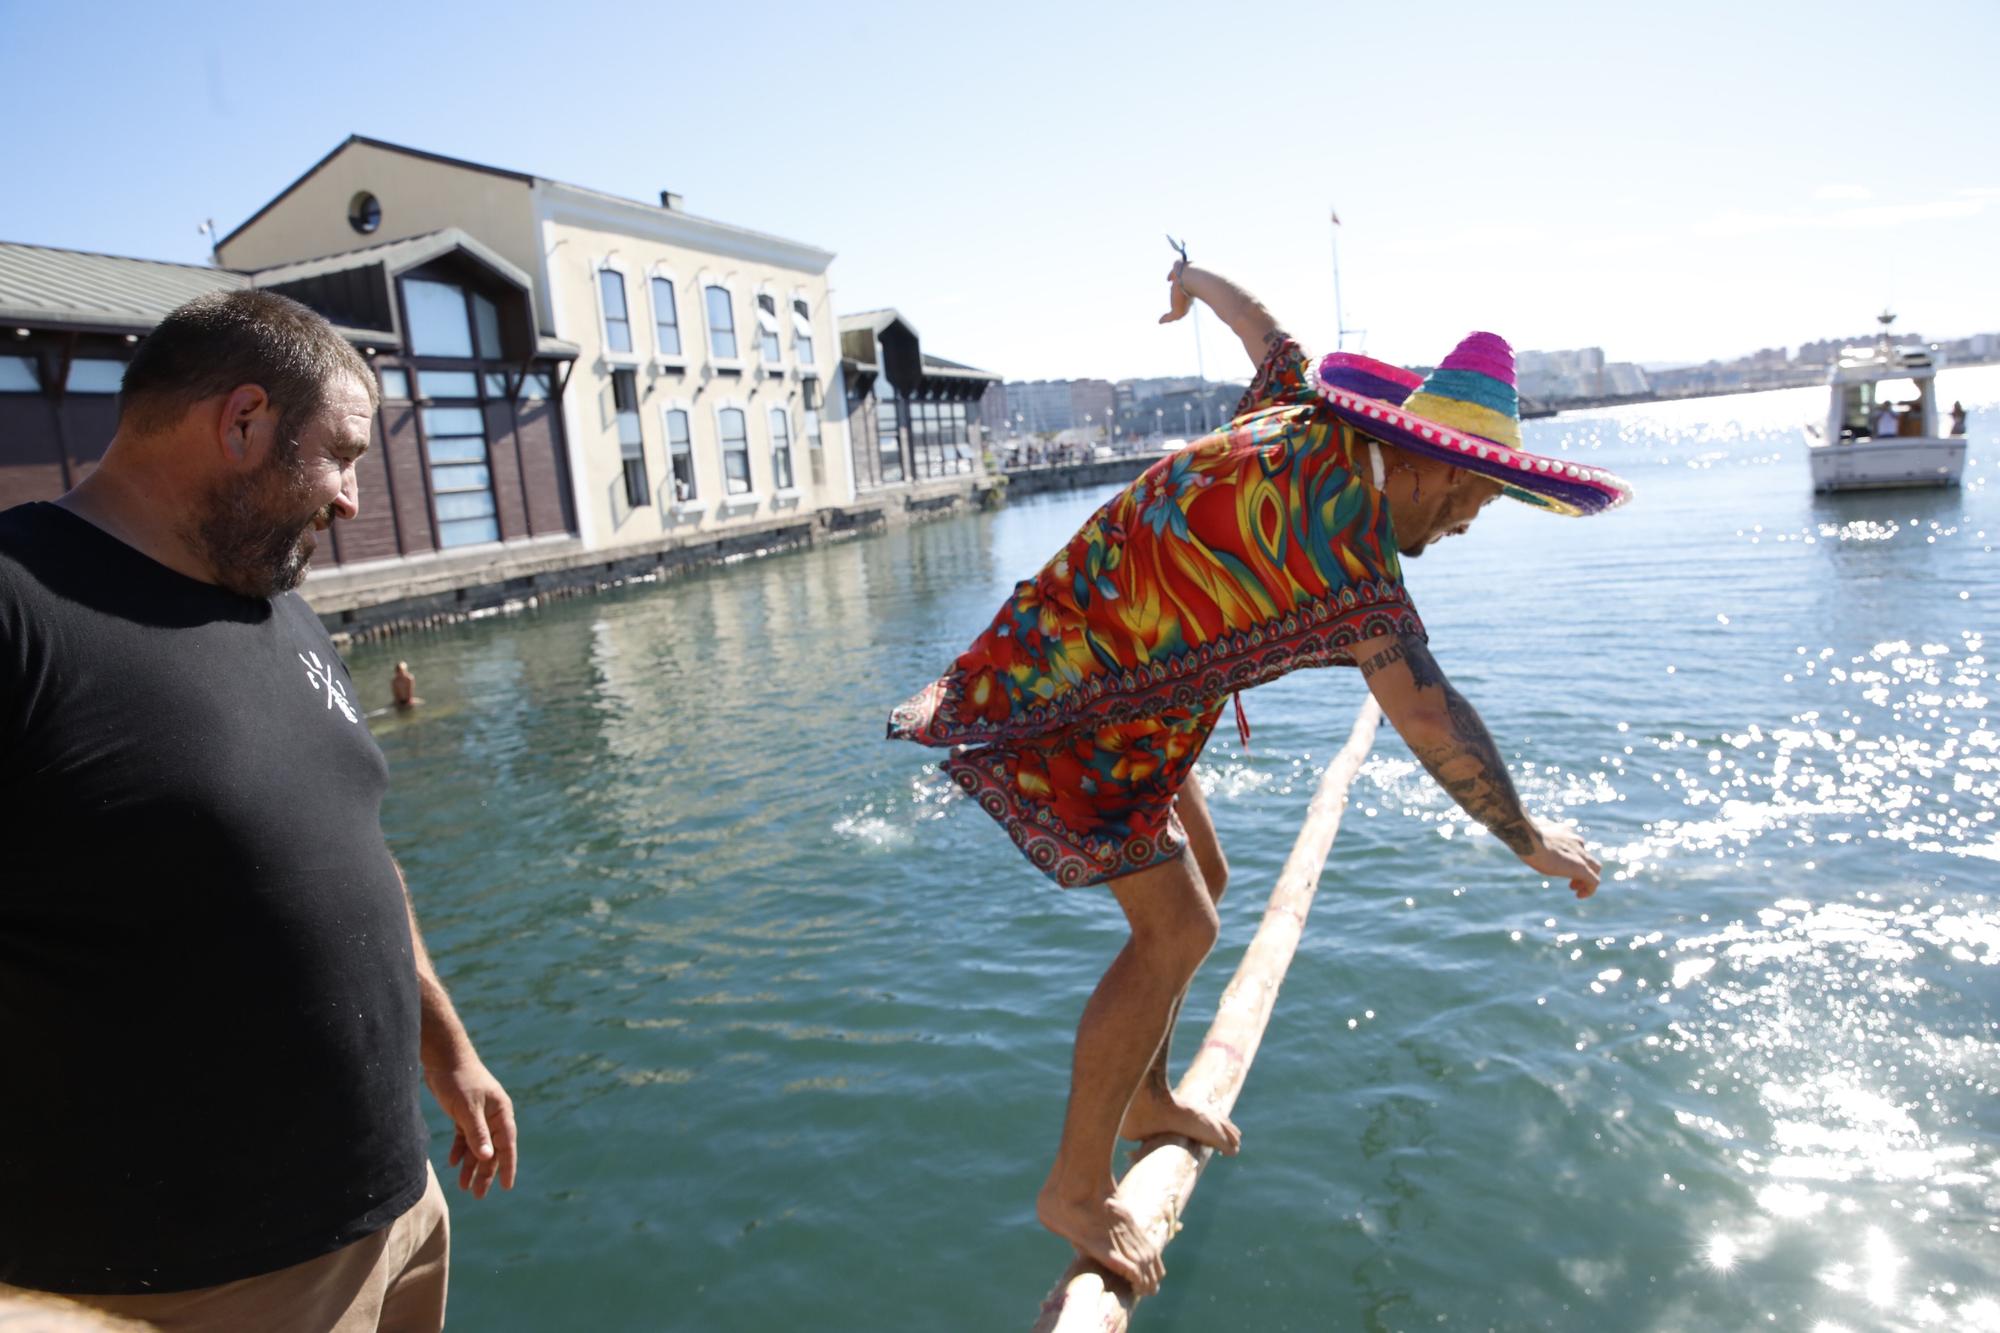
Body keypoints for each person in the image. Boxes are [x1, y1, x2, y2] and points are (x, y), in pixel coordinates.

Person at [888, 251, 1632, 1295]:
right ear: (1426, 464)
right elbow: (1427, 712)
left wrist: (1196, 281)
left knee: (1210, 878)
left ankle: (1145, 1098)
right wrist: (1527, 838)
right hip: (1073, 691)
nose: (1467, 522)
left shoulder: (1299, 409)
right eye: (1476, 496)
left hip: (1133, 684)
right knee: (1177, 927)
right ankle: (1073, 1181)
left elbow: (1262, 328)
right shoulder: (1347, 548)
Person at [0, 290, 517, 1331]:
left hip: (394, 1215)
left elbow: (346, 840)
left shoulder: (276, 606)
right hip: (185, 1286)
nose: (353, 501)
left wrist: (446, 1047)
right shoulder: (19, 606)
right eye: (340, 455)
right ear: (242, 423)